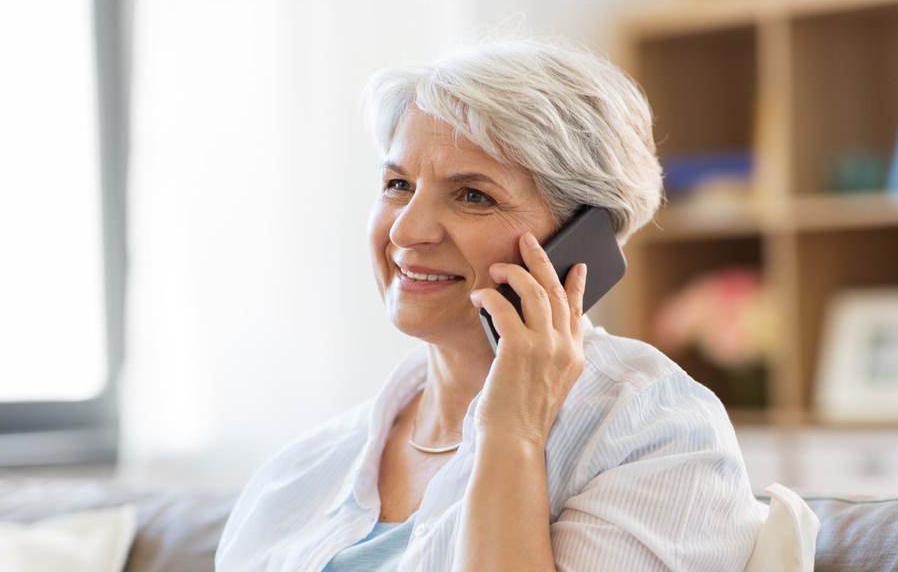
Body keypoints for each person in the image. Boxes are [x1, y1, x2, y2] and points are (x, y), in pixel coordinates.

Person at [215, 36, 767, 571]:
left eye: (473, 195)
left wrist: (512, 435)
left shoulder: (653, 432)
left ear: (583, 236)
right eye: (397, 184)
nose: (407, 230)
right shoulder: (299, 471)